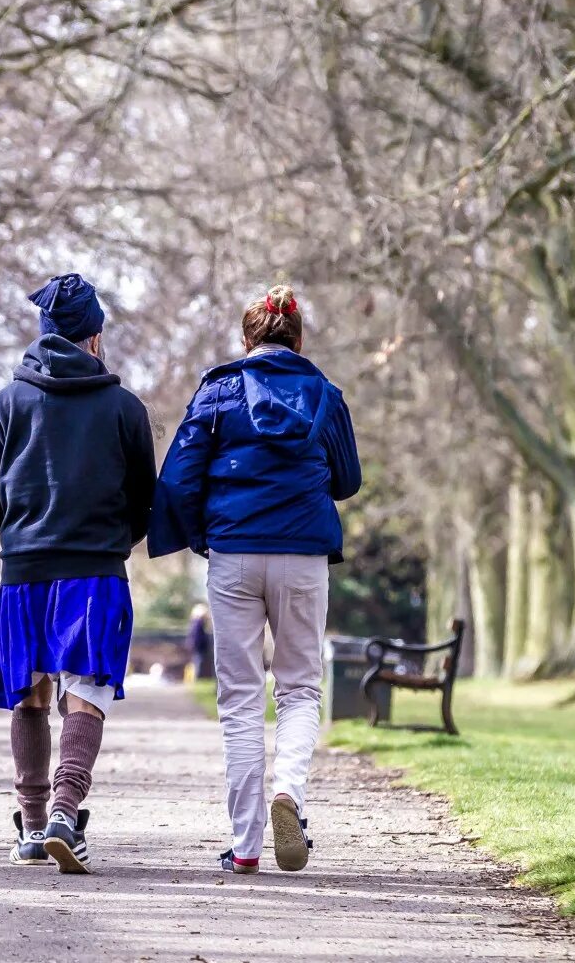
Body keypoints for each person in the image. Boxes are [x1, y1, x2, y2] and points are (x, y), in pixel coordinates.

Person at [147, 284, 362, 875]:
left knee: (240, 699)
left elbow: (181, 477)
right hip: (303, 555)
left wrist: (198, 536)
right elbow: (347, 480)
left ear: (247, 341)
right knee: (298, 688)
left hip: (235, 555)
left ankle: (245, 847)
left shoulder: (219, 391)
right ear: (298, 339)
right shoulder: (325, 396)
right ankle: (288, 794)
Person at [0, 273, 155, 874]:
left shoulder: (7, 403)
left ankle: (33, 825)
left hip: (25, 571)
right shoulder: (125, 408)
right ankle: (68, 810)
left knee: (32, 692)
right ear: (94, 338)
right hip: (95, 571)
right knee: (85, 692)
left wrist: (26, 536)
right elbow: (146, 500)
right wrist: (111, 541)